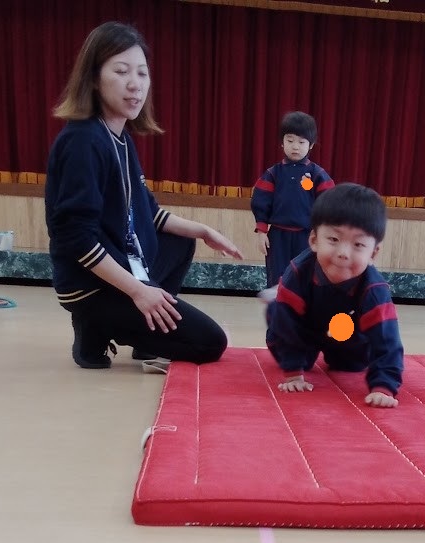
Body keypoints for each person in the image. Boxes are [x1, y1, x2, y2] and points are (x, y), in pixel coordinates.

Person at [45, 21, 243, 371]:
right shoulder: (83, 141)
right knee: (210, 343)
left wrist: (203, 231)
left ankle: (139, 334)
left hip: (121, 264)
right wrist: (139, 291)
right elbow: (75, 237)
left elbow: (146, 213)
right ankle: (96, 322)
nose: (135, 84)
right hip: (91, 285)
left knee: (180, 241)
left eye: (142, 73)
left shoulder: (119, 137)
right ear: (93, 78)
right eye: (121, 72)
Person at [265, 183, 404, 407]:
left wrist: (384, 386)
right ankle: (281, 309)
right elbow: (286, 327)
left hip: (346, 333)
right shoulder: (297, 273)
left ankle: (338, 352)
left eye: (358, 244)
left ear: (373, 253)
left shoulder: (374, 289)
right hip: (305, 329)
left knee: (351, 365)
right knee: (278, 315)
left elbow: (388, 342)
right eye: (334, 240)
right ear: (314, 240)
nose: (343, 253)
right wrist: (293, 371)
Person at [251, 111, 334, 288]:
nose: (295, 146)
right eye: (290, 141)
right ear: (282, 143)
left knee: (306, 279)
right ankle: (278, 306)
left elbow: (329, 203)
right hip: (278, 237)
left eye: (301, 142)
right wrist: (262, 232)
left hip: (307, 236)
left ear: (311, 145)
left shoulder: (317, 174)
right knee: (277, 280)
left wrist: (323, 233)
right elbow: (261, 201)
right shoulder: (273, 173)